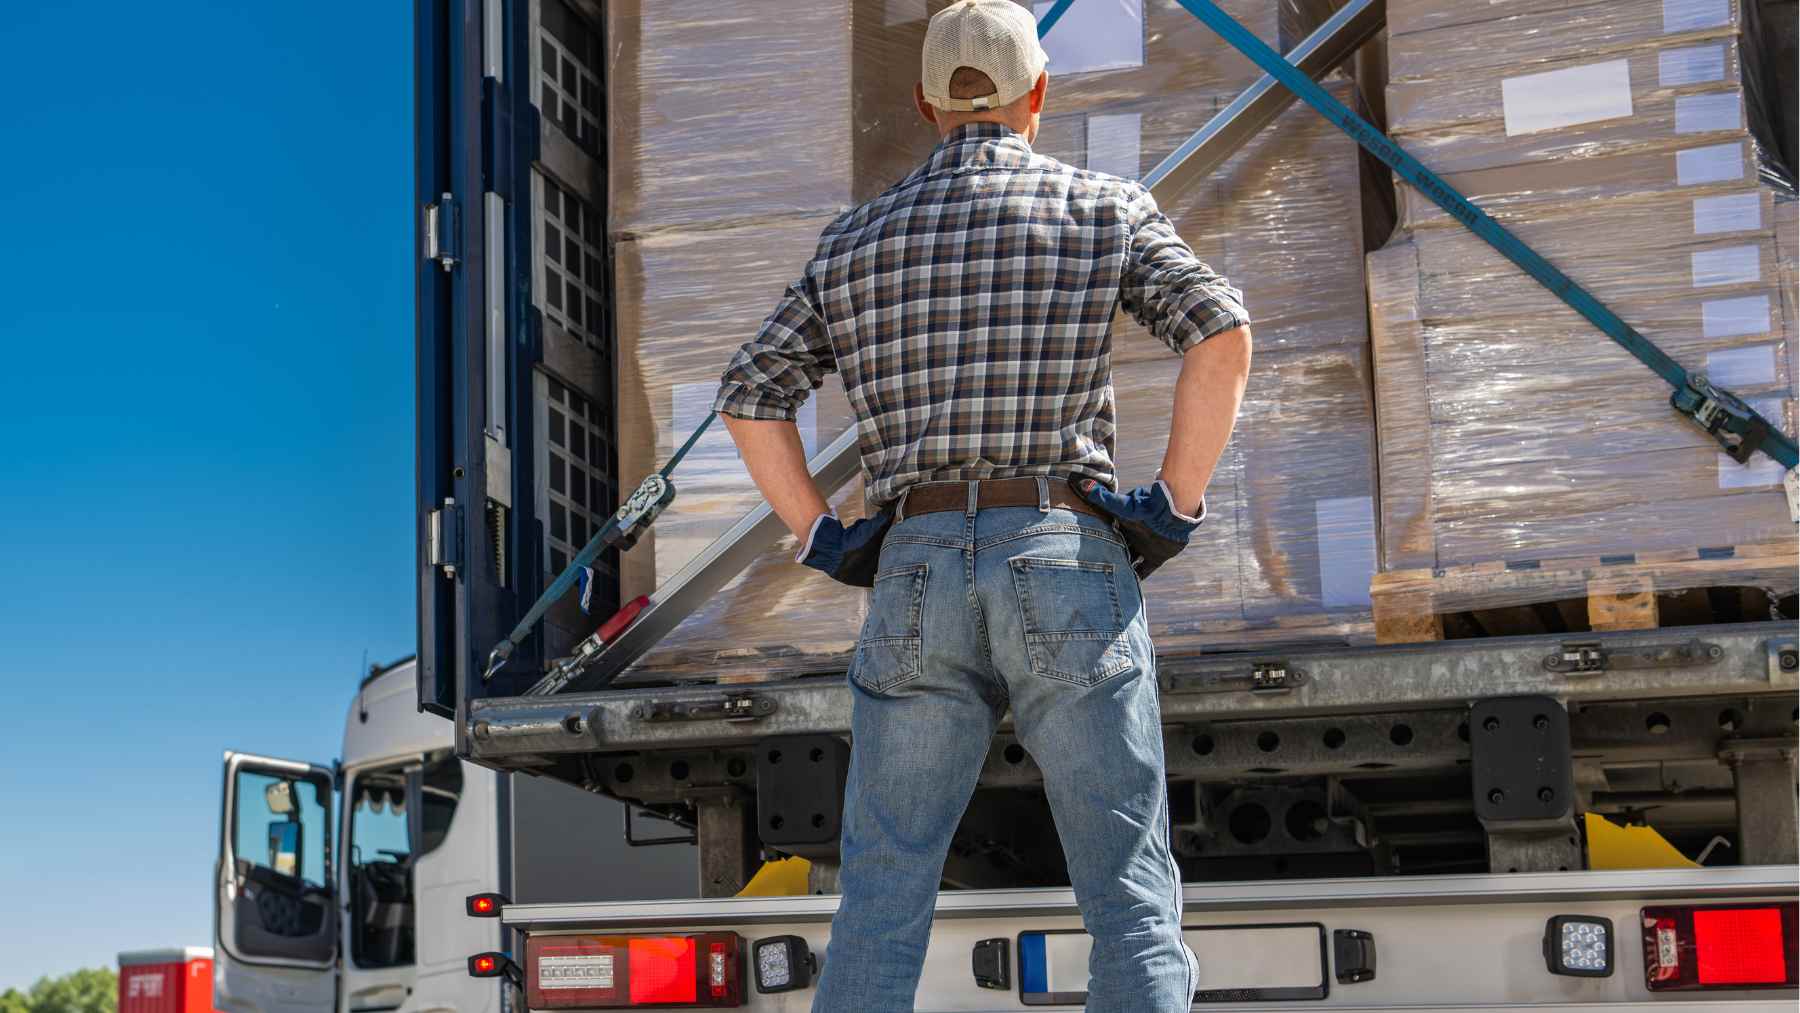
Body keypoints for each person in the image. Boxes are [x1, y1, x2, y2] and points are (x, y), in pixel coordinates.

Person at [711, 1, 1252, 1008]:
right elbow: (1218, 332)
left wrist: (822, 532)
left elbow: (750, 394)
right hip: (1063, 551)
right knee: (1127, 892)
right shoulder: (1106, 207)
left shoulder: (853, 240)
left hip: (911, 565)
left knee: (882, 888)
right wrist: (1173, 503)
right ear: (1039, 94)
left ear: (924, 104)